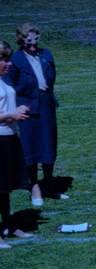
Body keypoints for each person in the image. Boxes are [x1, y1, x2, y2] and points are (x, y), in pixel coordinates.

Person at [8, 23, 62, 206]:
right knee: (30, 147)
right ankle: (35, 187)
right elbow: (10, 84)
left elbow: (52, 77)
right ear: (21, 40)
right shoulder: (16, 59)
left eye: (35, 40)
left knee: (49, 144)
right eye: (28, 41)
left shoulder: (46, 54)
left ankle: (49, 184)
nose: (33, 45)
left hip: (46, 102)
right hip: (26, 106)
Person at [0, 40, 33, 249]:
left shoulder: (3, 80)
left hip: (10, 137)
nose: (9, 63)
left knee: (5, 188)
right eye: (4, 59)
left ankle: (9, 226)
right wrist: (11, 114)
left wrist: (17, 109)